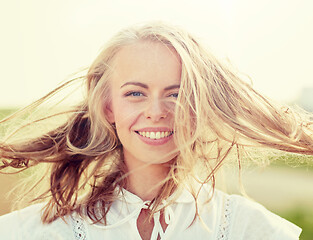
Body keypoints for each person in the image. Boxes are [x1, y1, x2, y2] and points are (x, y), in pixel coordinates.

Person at [0, 21, 312, 240]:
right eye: (135, 93)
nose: (156, 112)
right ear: (108, 107)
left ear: (201, 106)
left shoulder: (252, 229)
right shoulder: (37, 231)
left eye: (177, 94)